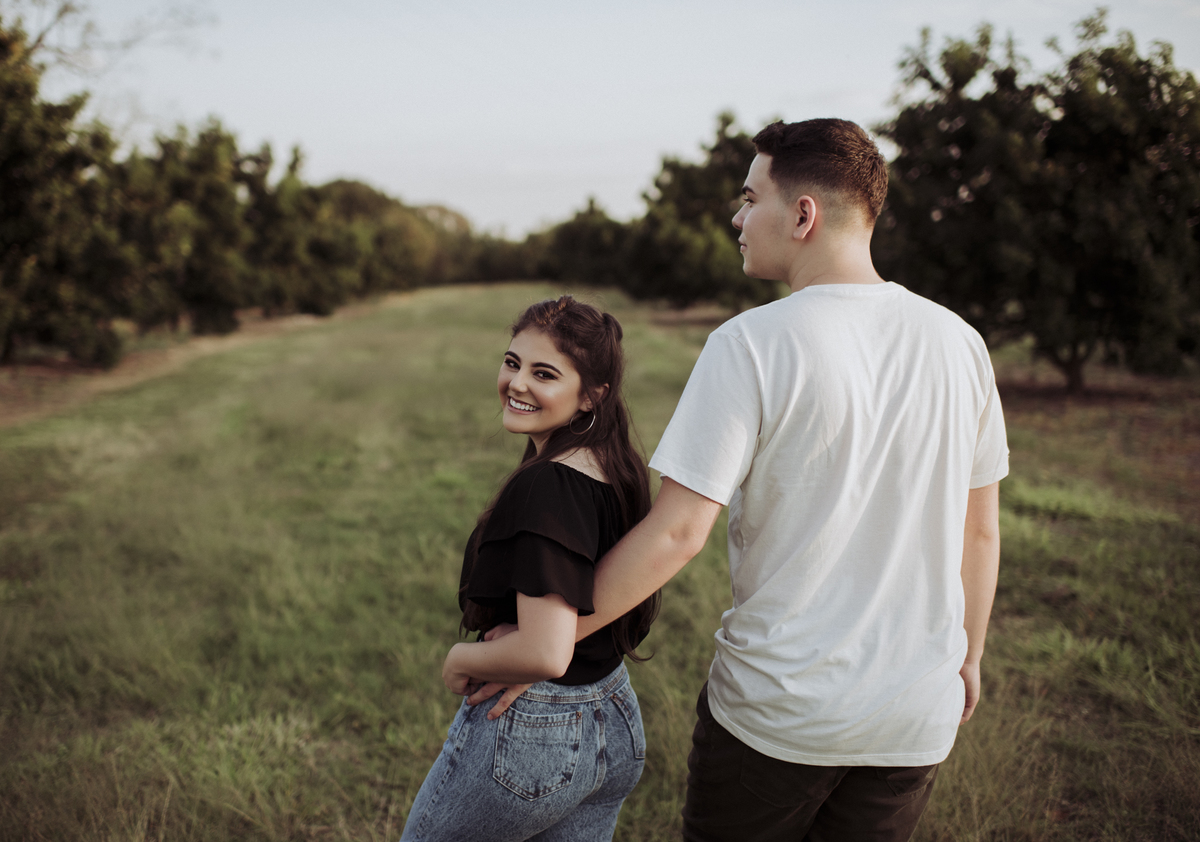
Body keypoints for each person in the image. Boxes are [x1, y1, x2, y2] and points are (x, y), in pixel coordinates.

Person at [471, 119, 1008, 841]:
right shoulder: (961, 342)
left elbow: (679, 533)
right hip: (913, 716)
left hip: (777, 714)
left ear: (804, 214)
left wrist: (551, 643)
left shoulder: (751, 343)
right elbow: (980, 529)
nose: (737, 217)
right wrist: (970, 655)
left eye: (751, 198)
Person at [400, 296, 660, 842]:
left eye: (544, 374)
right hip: (612, 712)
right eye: (512, 362)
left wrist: (459, 658)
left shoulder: (549, 485)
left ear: (591, 395)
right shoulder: (612, 467)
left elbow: (544, 652)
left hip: (537, 728)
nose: (516, 384)